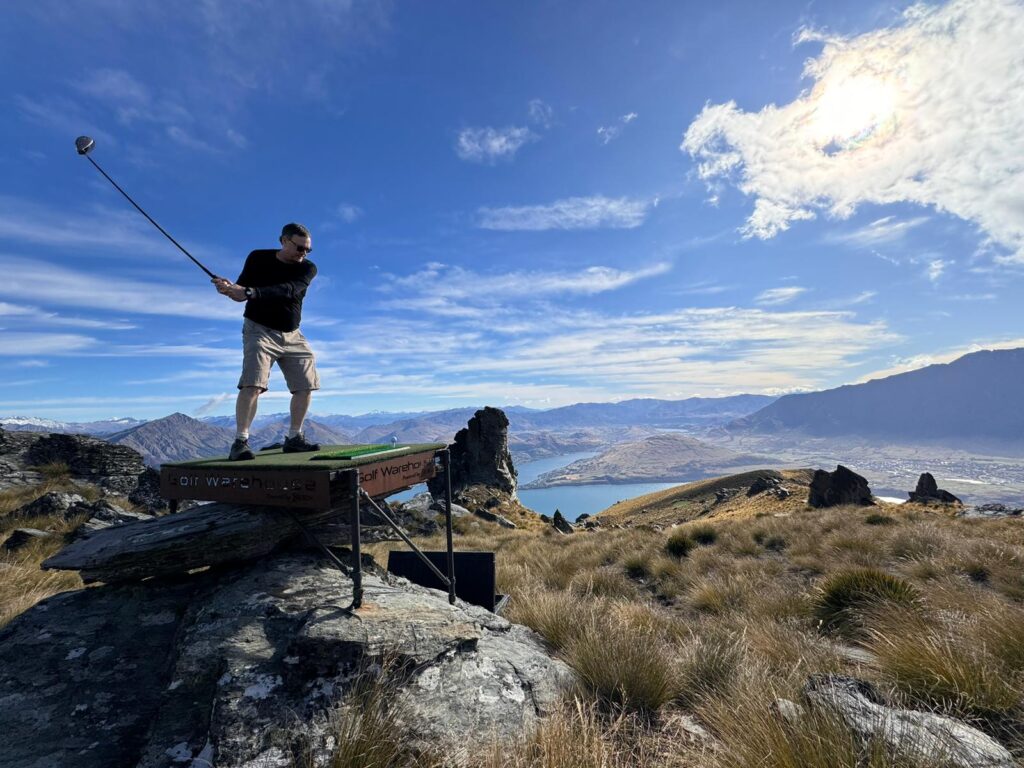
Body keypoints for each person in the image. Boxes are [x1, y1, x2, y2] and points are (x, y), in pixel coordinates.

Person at [214, 223, 322, 461]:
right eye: (299, 248)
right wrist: (230, 289)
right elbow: (242, 289)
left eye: (307, 250)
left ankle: (294, 438)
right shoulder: (257, 258)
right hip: (258, 330)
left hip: (293, 334)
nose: (303, 253)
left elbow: (288, 290)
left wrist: (250, 293)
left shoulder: (308, 269)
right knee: (253, 384)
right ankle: (240, 442)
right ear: (283, 241)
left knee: (305, 385)